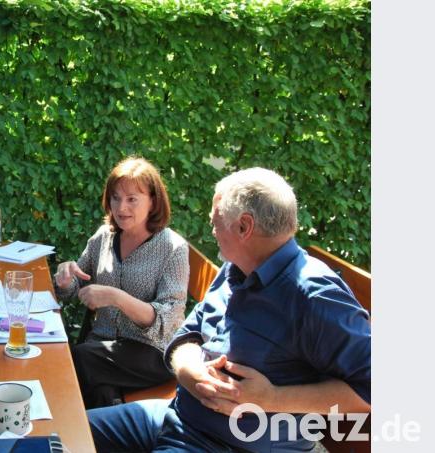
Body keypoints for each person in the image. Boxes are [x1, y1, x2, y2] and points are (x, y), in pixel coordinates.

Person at [88, 168, 371, 452]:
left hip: (222, 445)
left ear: (244, 227)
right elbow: (189, 334)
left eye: (215, 222)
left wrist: (272, 399)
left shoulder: (315, 296)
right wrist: (191, 372)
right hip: (174, 417)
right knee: (59, 435)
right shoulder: (236, 267)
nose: (212, 232)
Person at [53, 156, 189, 409]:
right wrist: (65, 279)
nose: (121, 207)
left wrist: (116, 297)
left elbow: (166, 321)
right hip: (103, 350)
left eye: (132, 199)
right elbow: (77, 287)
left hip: (151, 352)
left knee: (77, 359)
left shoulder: (173, 248)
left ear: (153, 201)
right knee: (102, 390)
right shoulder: (105, 236)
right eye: (115, 198)